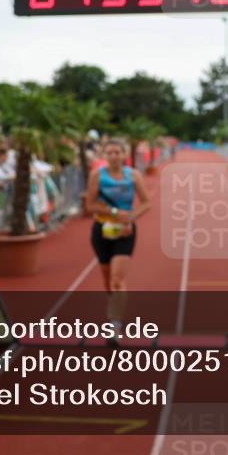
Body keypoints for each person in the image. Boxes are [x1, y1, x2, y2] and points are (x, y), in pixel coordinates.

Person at [83, 139, 150, 341]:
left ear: (124, 154)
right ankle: (114, 308)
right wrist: (113, 211)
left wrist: (130, 217)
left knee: (117, 279)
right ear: (105, 155)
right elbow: (90, 205)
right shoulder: (97, 176)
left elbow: (147, 203)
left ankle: (115, 325)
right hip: (101, 230)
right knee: (107, 279)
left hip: (125, 231)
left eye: (117, 152)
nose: (113, 156)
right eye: (110, 152)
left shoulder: (133, 176)